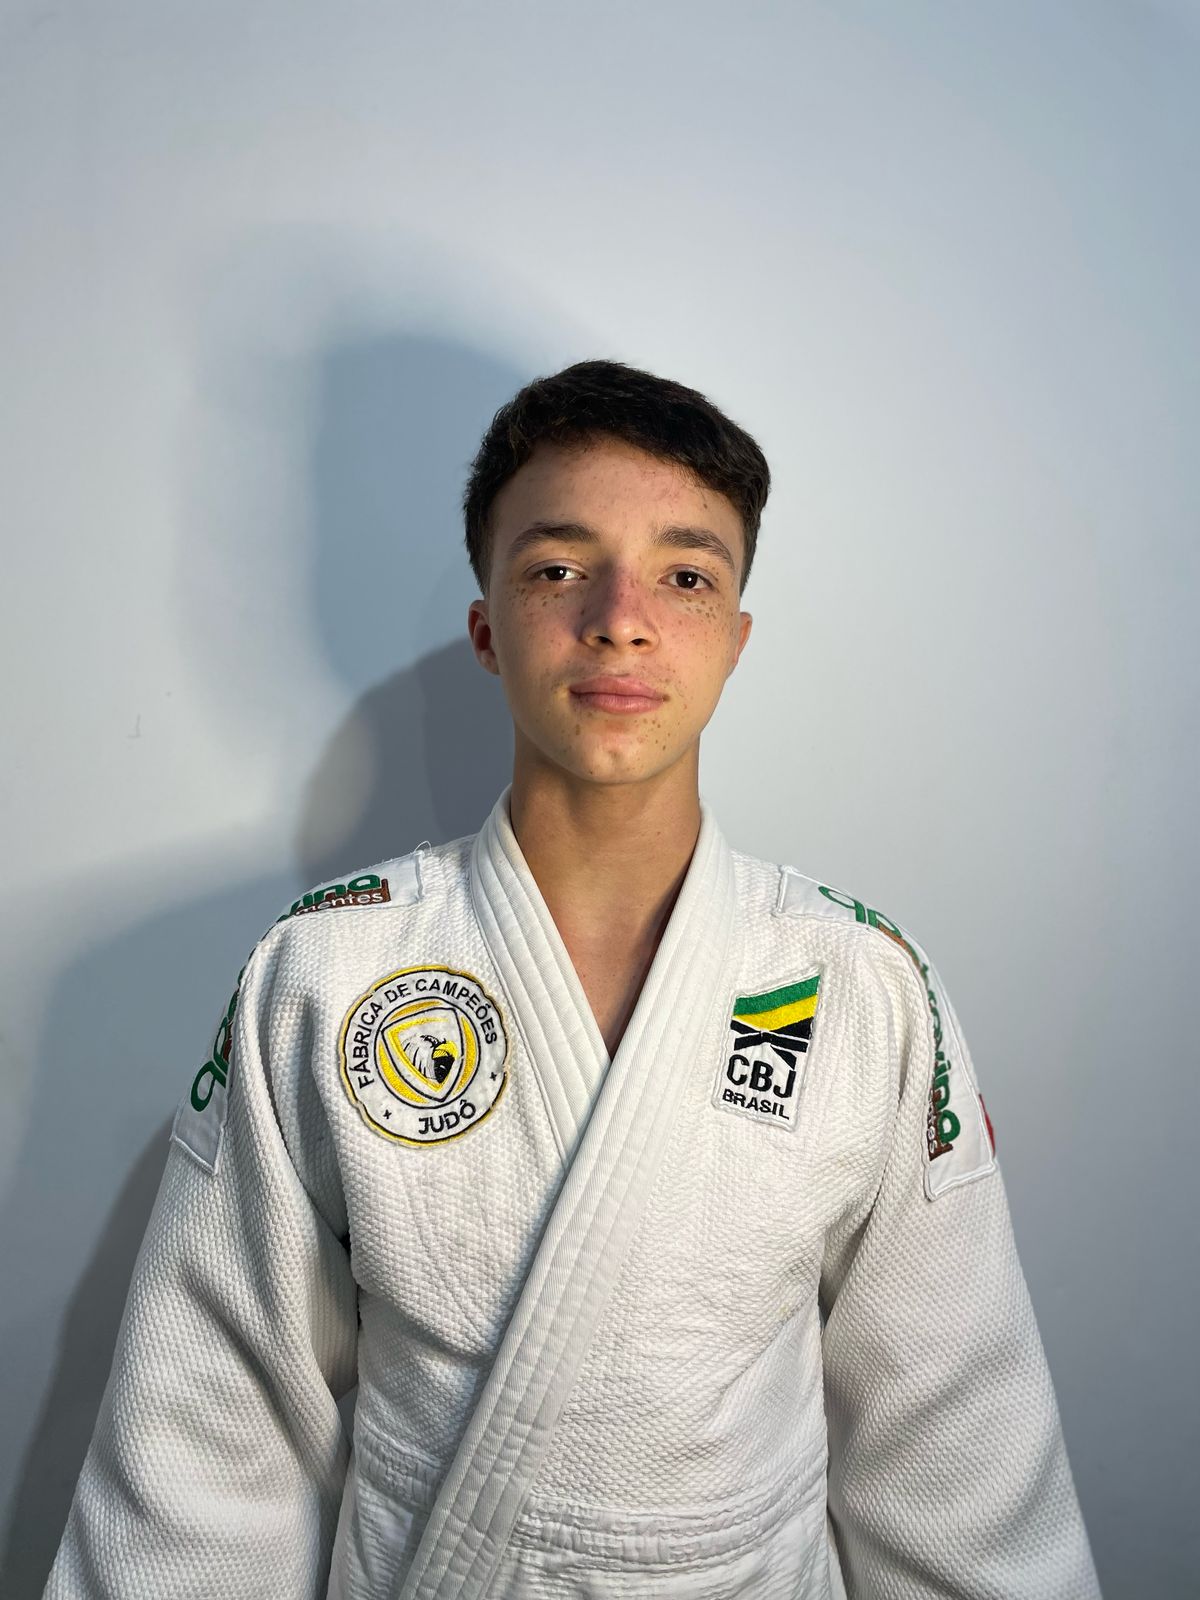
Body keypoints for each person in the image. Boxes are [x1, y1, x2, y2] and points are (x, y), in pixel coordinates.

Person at [45, 359, 1102, 1598]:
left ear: (736, 641)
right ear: (486, 629)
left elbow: (956, 1443)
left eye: (685, 576)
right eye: (557, 568)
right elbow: (207, 1440)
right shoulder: (327, 970)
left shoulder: (861, 984)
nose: (620, 618)